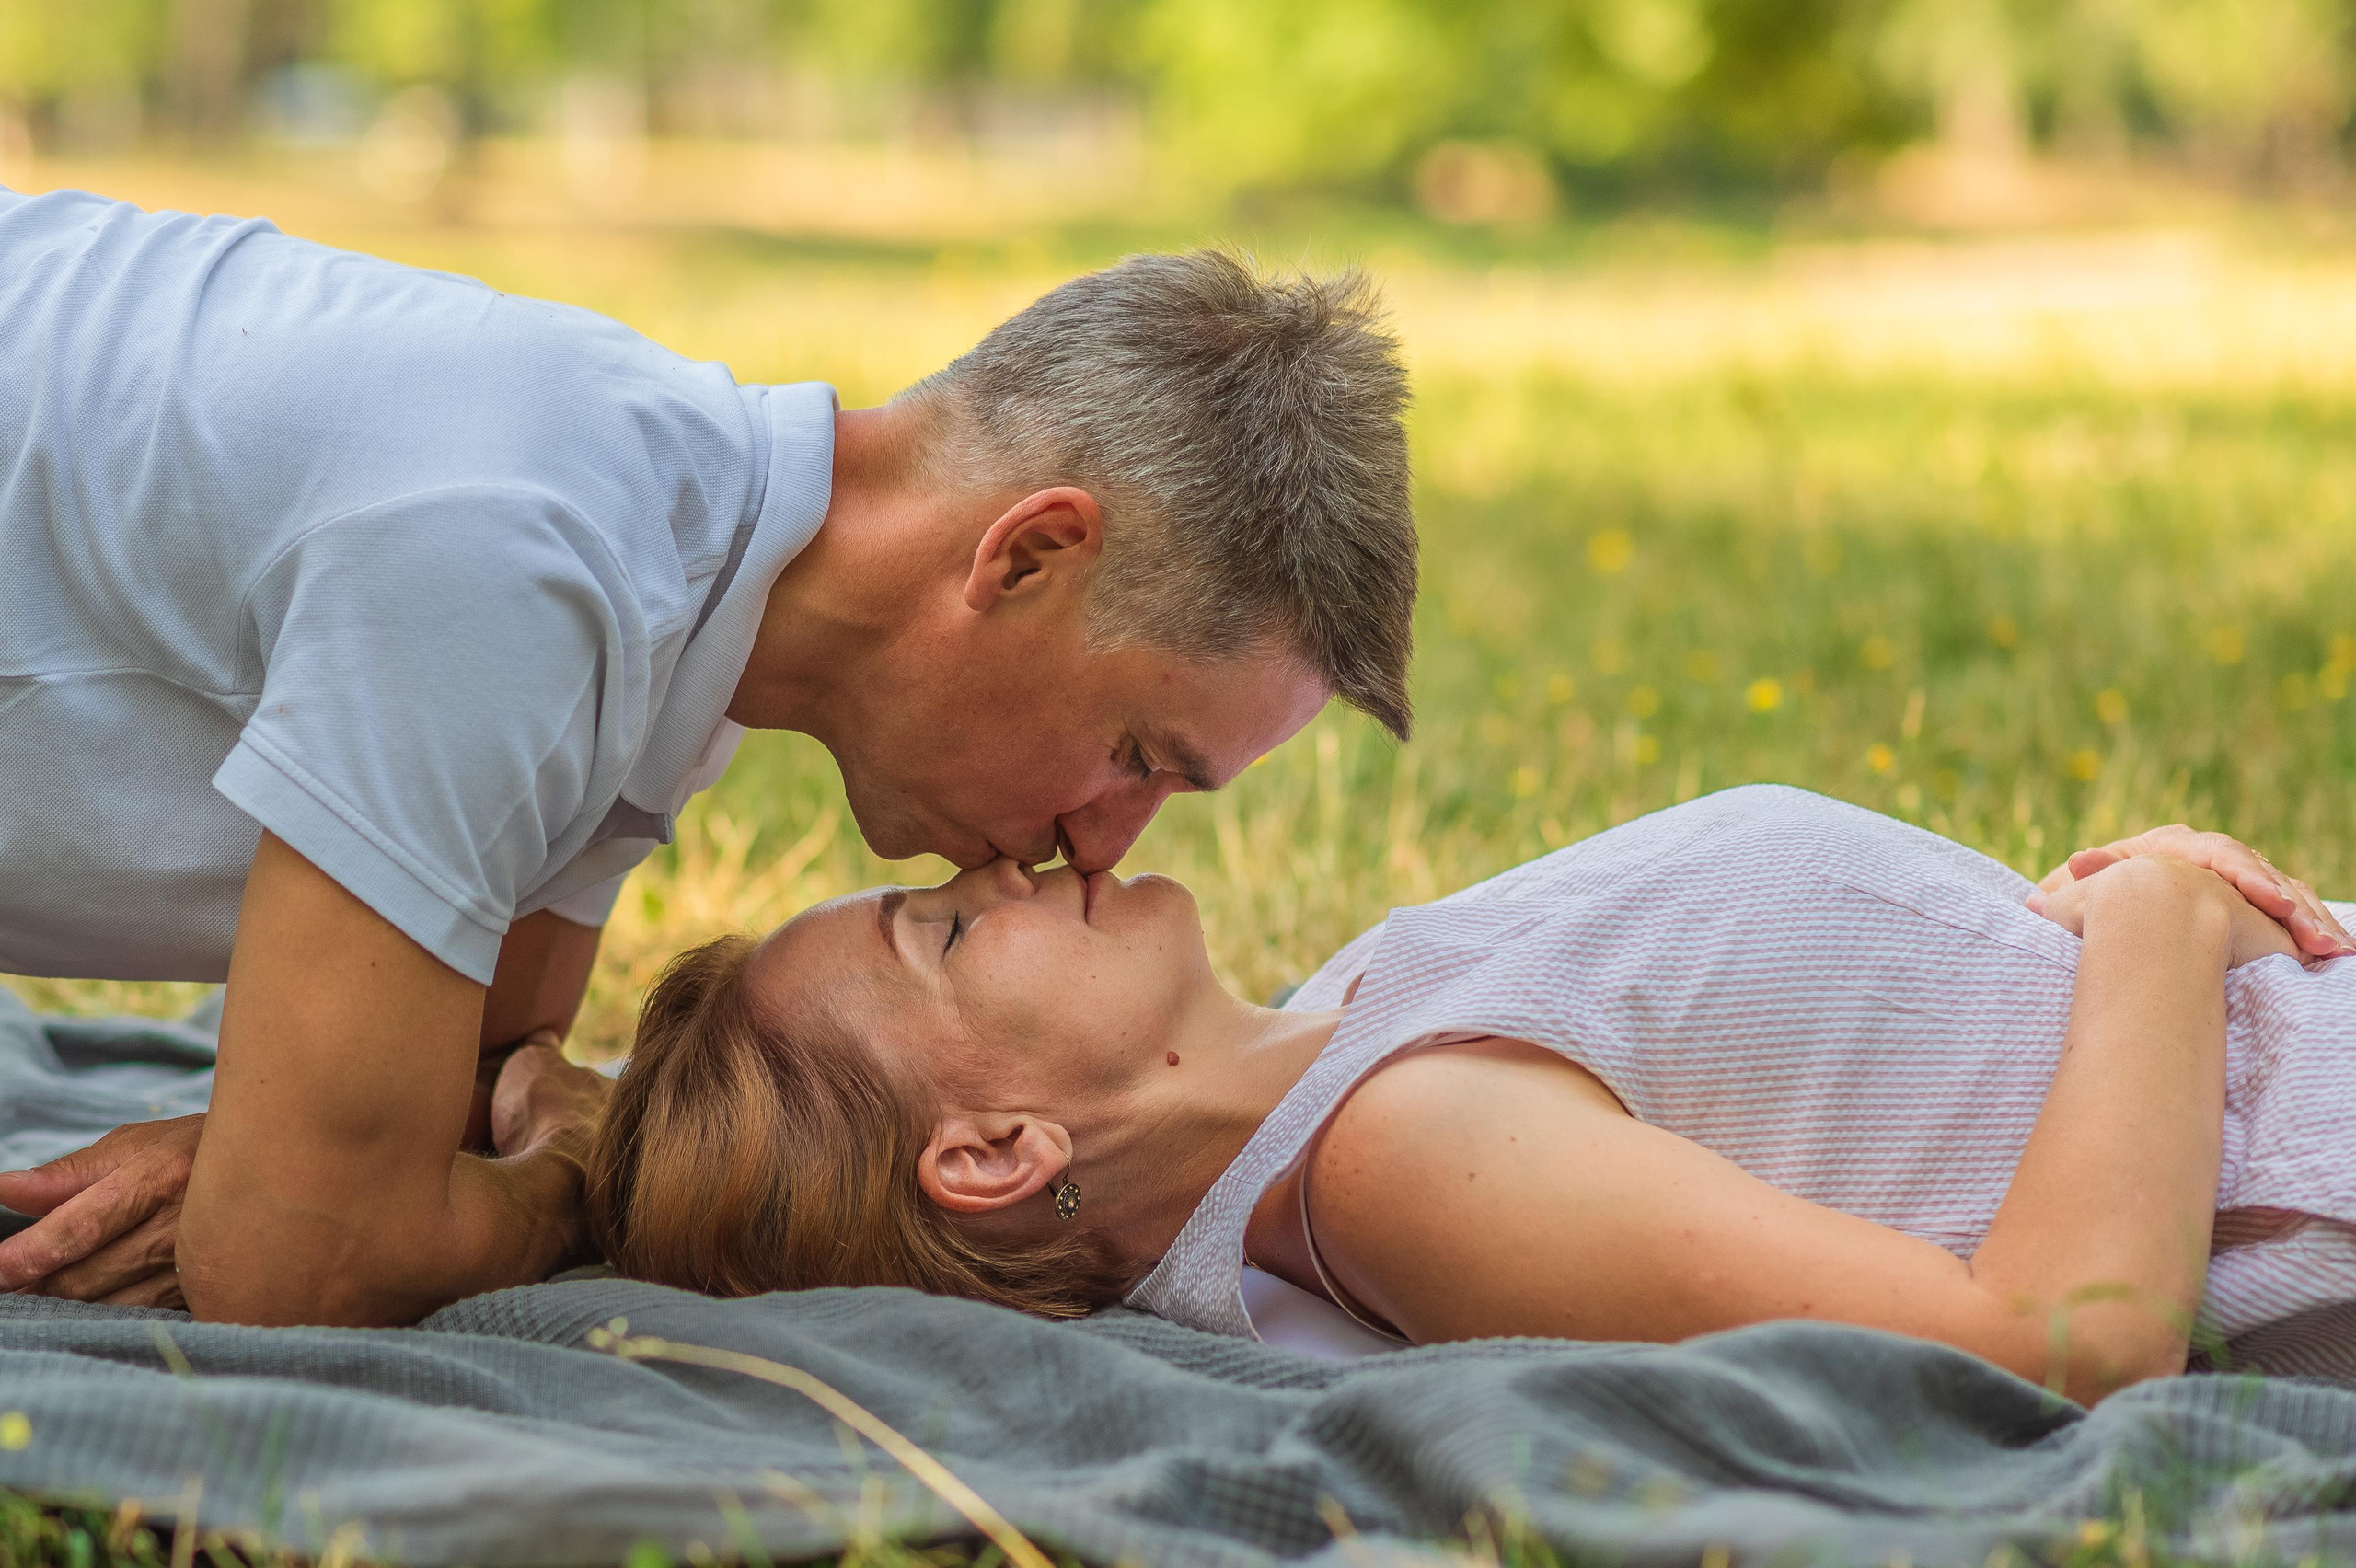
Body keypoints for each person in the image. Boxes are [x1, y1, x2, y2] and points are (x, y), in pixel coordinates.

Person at [0, 186, 1418, 1326]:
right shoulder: (530, 563)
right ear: (1030, 555)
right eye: (1136, 753)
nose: (1106, 844)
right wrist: (549, 1183)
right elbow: (302, 1265)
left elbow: (483, 1076)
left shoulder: (687, 586)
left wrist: (323, 1164)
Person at [572, 787, 2356, 1404]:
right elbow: (2053, 1343)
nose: (1012, 864)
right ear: (990, 1151)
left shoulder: (1348, 1040)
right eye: (949, 932)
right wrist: (2153, 922)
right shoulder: (1400, 1162)